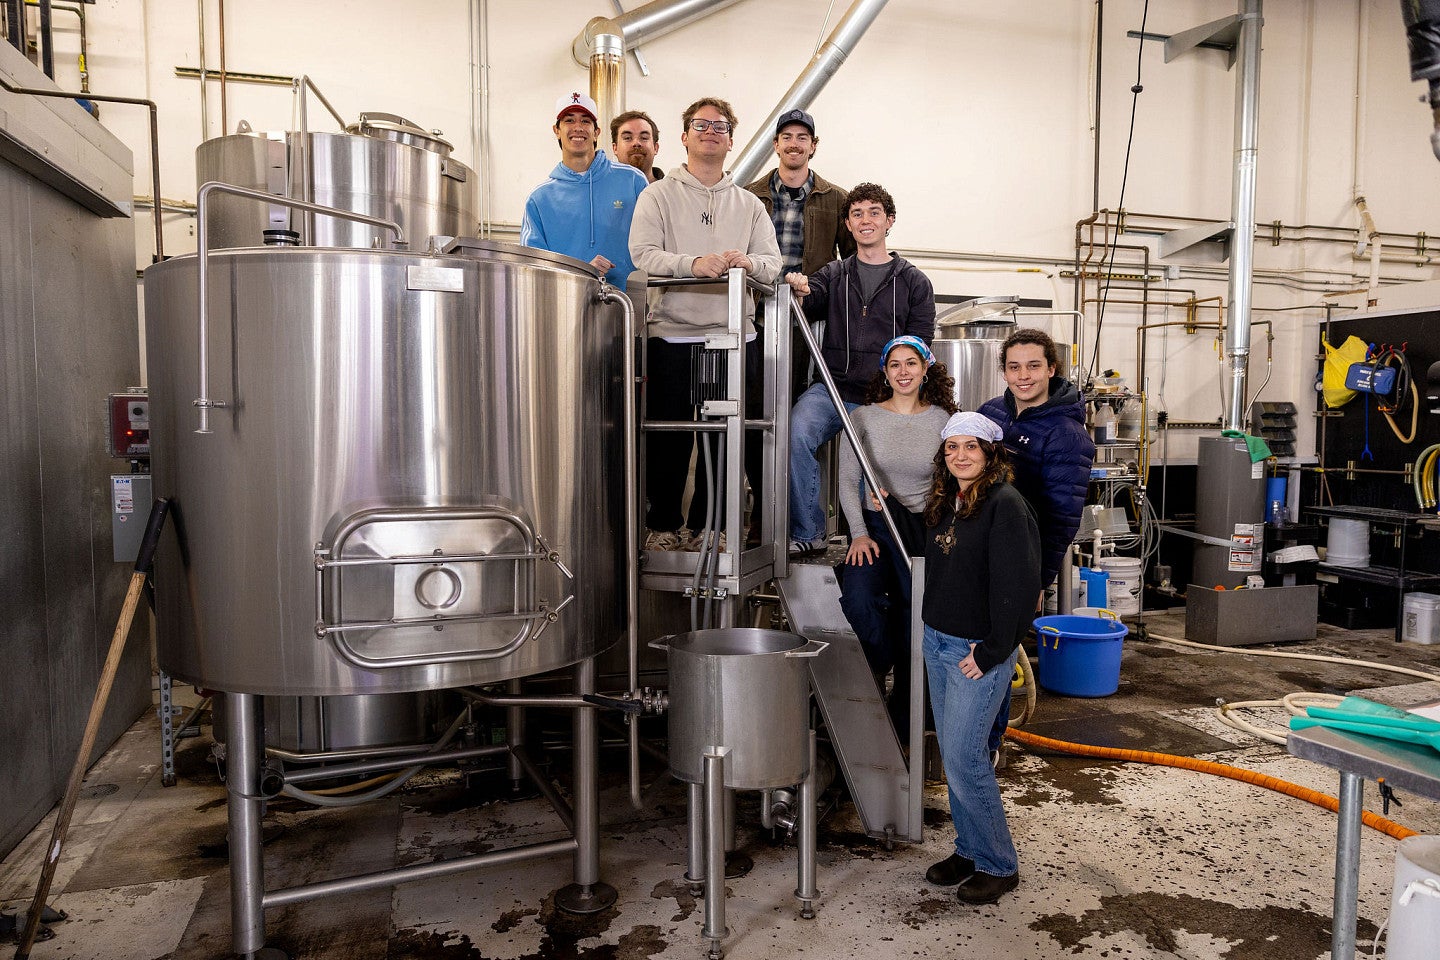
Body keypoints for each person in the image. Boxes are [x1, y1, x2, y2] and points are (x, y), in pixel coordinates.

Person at [629, 97, 781, 550]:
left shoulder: (750, 205)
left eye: (720, 126)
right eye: (701, 124)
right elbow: (642, 254)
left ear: (731, 139)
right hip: (673, 334)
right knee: (669, 437)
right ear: (684, 137)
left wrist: (746, 262)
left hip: (733, 339)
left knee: (723, 437)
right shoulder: (656, 195)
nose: (711, 131)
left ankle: (711, 526)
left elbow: (772, 264)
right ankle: (662, 526)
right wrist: (692, 264)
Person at [920, 411, 1039, 906]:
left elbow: (1019, 587)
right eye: (952, 448)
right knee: (954, 757)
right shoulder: (950, 501)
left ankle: (998, 864)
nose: (960, 455)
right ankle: (969, 850)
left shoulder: (1005, 504)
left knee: (968, 760)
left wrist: (991, 651)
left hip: (975, 652)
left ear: (990, 453)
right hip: (938, 642)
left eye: (971, 446)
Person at [785, 182, 935, 557]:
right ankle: (809, 531)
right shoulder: (834, 274)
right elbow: (810, 298)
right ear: (848, 225)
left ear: (889, 221)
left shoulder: (914, 282)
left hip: (883, 397)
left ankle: (878, 539)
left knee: (878, 469)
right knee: (796, 431)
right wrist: (801, 286)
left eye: (873, 212)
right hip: (832, 389)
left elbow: (921, 345)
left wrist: (899, 394)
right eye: (856, 213)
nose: (865, 220)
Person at [977, 328, 1096, 761]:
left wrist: (1037, 584)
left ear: (1051, 369)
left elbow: (1062, 519)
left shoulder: (1067, 434)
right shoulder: (992, 412)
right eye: (1013, 366)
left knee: (996, 661)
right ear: (1003, 370)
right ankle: (970, 744)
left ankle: (988, 749)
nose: (1023, 376)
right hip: (979, 556)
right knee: (975, 654)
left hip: (1020, 563)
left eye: (1032, 366)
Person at [836, 336, 956, 738]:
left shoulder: (943, 420)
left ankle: (906, 719)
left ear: (925, 370)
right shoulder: (864, 418)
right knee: (859, 597)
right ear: (885, 373)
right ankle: (881, 658)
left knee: (915, 616)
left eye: (911, 363)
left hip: (924, 530)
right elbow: (847, 480)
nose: (903, 372)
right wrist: (857, 534)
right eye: (895, 365)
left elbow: (953, 478)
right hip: (876, 530)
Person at [745, 108, 855, 400]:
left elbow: (853, 261)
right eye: (787, 137)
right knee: (752, 404)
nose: (794, 143)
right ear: (776, 144)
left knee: (798, 403)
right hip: (755, 317)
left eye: (802, 137)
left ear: (813, 145)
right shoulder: (748, 196)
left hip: (807, 322)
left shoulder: (837, 198)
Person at [521, 92, 647, 287]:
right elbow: (531, 265)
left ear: (596, 131)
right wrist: (581, 273)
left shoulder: (633, 180)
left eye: (586, 121)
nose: (578, 127)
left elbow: (654, 243)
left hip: (629, 306)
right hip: (565, 305)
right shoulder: (539, 199)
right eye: (569, 120)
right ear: (556, 130)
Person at [611, 109, 664, 183]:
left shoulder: (671, 191)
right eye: (627, 138)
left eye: (644, 138)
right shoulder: (602, 191)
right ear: (615, 148)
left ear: (656, 148)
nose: (636, 143)